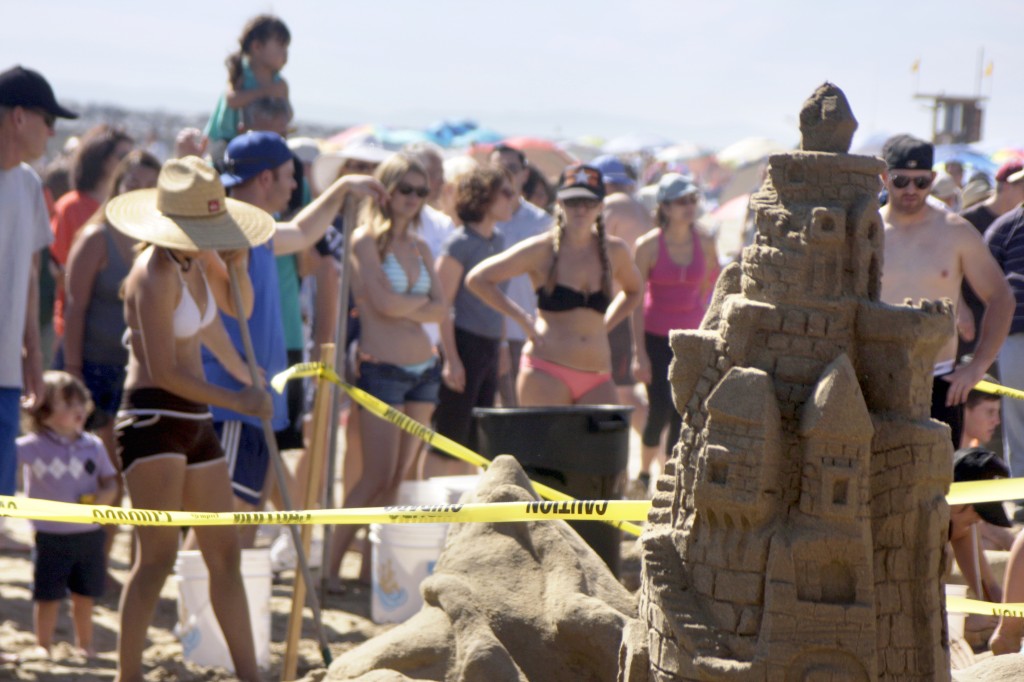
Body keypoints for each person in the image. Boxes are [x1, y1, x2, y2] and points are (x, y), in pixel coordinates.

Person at [107, 155, 275, 682]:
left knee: (222, 553)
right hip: (153, 417)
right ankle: (127, 674)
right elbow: (161, 370)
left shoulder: (197, 260)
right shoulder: (153, 272)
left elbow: (233, 315)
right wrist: (239, 401)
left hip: (195, 416)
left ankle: (250, 673)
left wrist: (240, 267)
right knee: (155, 557)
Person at [204, 131, 385, 547]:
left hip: (252, 395)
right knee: (223, 525)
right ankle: (196, 613)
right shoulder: (227, 228)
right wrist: (237, 369)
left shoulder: (256, 228)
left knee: (243, 524)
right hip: (233, 396)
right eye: (289, 176)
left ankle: (216, 611)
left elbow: (303, 232)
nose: (294, 186)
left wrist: (340, 189)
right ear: (265, 178)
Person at [327, 153, 445, 590]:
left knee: (398, 479)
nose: (413, 198)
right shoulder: (364, 241)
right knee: (373, 476)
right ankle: (331, 566)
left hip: (424, 371)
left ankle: (371, 571)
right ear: (385, 190)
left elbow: (442, 305)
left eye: (421, 191)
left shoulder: (421, 246)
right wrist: (416, 306)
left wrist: (404, 307)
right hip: (382, 369)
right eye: (405, 189)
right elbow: (383, 304)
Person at [466, 163, 642, 407]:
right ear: (559, 204)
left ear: (601, 206)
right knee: (543, 446)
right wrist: (524, 319)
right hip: (546, 370)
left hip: (597, 374)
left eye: (588, 202)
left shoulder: (614, 251)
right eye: (572, 201)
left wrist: (606, 324)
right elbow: (478, 279)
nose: (581, 209)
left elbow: (634, 291)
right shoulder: (542, 250)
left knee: (606, 444)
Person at [879, 135, 1013, 448]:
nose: (911, 190)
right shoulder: (867, 232)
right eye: (901, 181)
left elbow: (1001, 297)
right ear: (885, 178)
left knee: (936, 491)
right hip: (876, 376)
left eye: (921, 182)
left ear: (933, 179)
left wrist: (977, 366)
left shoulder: (954, 231)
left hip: (940, 380)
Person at [0, 65, 78, 557]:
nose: (54, 131)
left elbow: (31, 277)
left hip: (7, 368)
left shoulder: (28, 185)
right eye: (48, 119)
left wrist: (32, 353)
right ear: (19, 117)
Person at [16, 371, 119, 660]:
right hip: (50, 535)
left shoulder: (94, 445)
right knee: (47, 595)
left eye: (80, 402)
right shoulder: (29, 447)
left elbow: (110, 481)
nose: (78, 409)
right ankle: (43, 645)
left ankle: (85, 645)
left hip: (89, 533)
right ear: (43, 412)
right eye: (67, 403)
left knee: (84, 596)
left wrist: (104, 498)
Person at [424, 165, 517, 477]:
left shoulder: (499, 240)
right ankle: (432, 515)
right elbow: (442, 306)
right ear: (484, 197)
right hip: (462, 344)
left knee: (474, 441)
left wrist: (502, 345)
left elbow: (497, 301)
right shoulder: (459, 243)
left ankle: (459, 516)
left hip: (488, 347)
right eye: (505, 192)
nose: (512, 198)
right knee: (446, 438)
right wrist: (451, 358)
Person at [631, 174, 719, 494]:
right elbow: (634, 300)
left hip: (691, 337)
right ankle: (642, 475)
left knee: (684, 411)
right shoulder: (649, 245)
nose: (689, 207)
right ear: (665, 207)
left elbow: (712, 283)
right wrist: (637, 352)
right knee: (658, 409)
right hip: (655, 336)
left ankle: (669, 481)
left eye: (693, 200)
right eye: (682, 202)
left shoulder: (706, 240)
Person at [50, 125, 134, 349]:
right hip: (73, 331)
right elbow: (56, 269)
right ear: (102, 158)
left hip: (116, 338)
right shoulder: (70, 207)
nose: (130, 163)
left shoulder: (127, 211)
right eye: (123, 156)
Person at [490, 144, 554, 405]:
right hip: (483, 331)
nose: (505, 174)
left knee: (521, 410)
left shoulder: (542, 222)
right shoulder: (481, 217)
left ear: (525, 175)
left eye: (512, 168)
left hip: (526, 332)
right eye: (498, 167)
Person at [958, 162, 1024, 357]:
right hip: (972, 316)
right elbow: (949, 268)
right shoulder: (968, 220)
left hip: (1001, 318)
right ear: (1005, 186)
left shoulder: (1015, 223)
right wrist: (960, 310)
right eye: (1021, 185)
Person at [205, 14, 291, 150]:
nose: (285, 53)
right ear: (257, 46)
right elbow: (232, 99)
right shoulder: (240, 71)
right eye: (281, 46)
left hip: (260, 142)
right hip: (227, 140)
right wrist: (265, 91)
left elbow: (288, 115)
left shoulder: (279, 82)